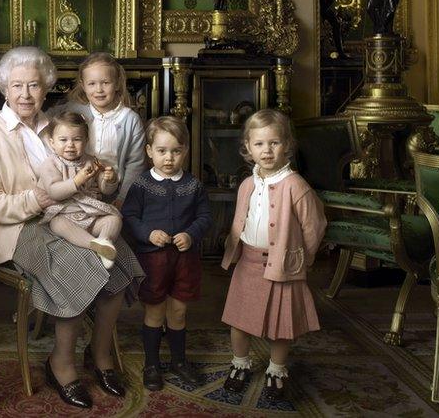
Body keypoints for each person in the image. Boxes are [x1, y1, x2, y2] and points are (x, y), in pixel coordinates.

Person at [0, 47, 143, 409]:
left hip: (68, 215)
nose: (26, 94)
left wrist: (102, 179)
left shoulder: (59, 125)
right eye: (17, 85)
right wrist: (38, 200)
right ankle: (60, 362)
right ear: (4, 89)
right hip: (17, 227)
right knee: (77, 263)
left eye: (34, 85)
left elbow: (84, 176)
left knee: (120, 257)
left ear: (46, 88)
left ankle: (99, 353)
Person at [220, 109, 326, 400]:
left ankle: (276, 369)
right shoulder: (246, 184)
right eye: (259, 144)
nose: (267, 150)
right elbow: (240, 221)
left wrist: (301, 258)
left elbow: (314, 226)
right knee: (238, 320)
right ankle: (240, 364)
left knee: (281, 326)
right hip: (248, 262)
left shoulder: (296, 185)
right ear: (248, 148)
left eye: (274, 143)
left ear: (287, 145)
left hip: (282, 266)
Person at [121, 116, 211, 391]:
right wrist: (148, 233)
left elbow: (205, 216)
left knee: (179, 311)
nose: (169, 158)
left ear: (185, 150)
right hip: (153, 260)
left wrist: (191, 234)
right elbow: (129, 217)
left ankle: (179, 361)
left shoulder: (193, 185)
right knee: (155, 311)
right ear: (149, 151)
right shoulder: (141, 185)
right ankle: (151, 363)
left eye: (175, 151)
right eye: (161, 151)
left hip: (185, 260)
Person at [57, 52, 146, 206]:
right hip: (77, 189)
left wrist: (122, 199)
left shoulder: (130, 120)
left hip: (114, 190)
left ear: (117, 83)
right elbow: (46, 121)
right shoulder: (74, 110)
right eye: (92, 84)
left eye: (105, 82)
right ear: (83, 85)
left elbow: (135, 164)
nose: (99, 89)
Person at [37, 111, 122, 269]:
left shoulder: (92, 161)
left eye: (77, 139)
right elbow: (54, 192)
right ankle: (94, 245)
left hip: (90, 214)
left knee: (114, 219)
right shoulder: (50, 164)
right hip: (64, 213)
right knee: (57, 224)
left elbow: (105, 191)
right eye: (63, 140)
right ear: (52, 142)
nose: (70, 145)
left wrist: (109, 180)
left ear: (86, 141)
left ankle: (105, 240)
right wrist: (77, 181)